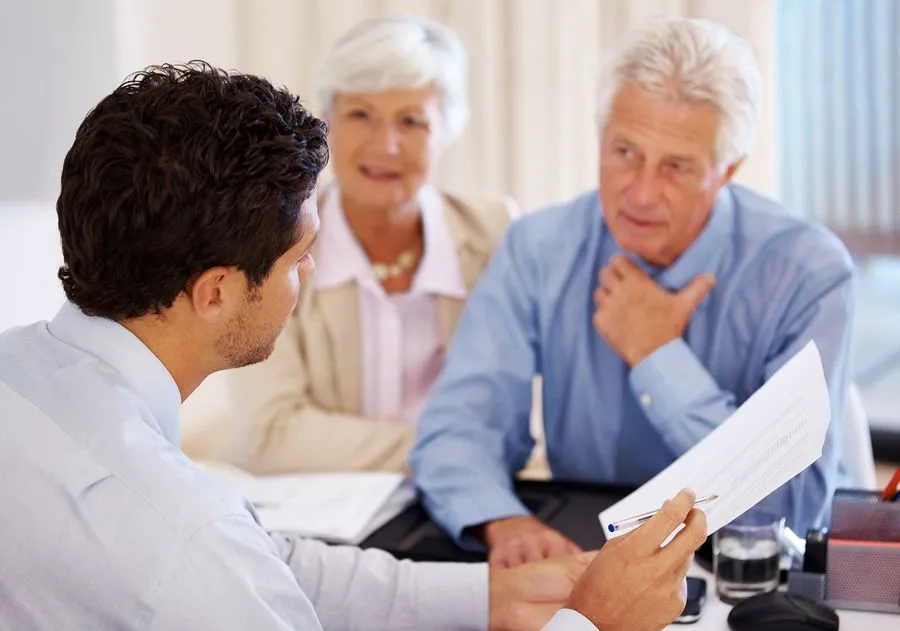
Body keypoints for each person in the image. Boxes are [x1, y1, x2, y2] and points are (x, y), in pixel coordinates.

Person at [0, 62, 707, 631]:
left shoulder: (18, 371)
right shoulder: (187, 538)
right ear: (215, 291)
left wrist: (488, 595)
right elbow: (218, 558)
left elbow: (265, 564)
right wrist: (592, 622)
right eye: (300, 256)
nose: (310, 272)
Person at [410, 15, 854, 568]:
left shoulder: (807, 271)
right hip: (589, 548)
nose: (640, 194)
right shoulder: (540, 248)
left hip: (749, 568)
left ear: (728, 169)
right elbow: (457, 429)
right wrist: (505, 522)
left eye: (676, 167)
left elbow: (790, 505)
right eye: (624, 153)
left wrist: (656, 353)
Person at [222, 14, 518, 475]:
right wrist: (444, 448)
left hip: (459, 503)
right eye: (361, 115)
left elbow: (510, 419)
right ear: (327, 122)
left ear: (447, 131)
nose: (387, 145)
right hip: (315, 515)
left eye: (412, 121)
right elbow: (273, 436)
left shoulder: (496, 234)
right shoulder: (268, 238)